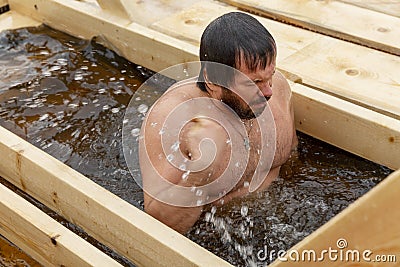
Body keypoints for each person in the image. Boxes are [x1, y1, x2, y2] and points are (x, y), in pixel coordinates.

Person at [139, 12, 298, 234]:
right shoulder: (173, 121)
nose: (268, 91)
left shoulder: (277, 89)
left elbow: (290, 157)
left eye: (269, 76)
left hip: (276, 219)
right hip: (208, 234)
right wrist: (201, 169)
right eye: (255, 83)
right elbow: (160, 227)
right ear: (213, 81)